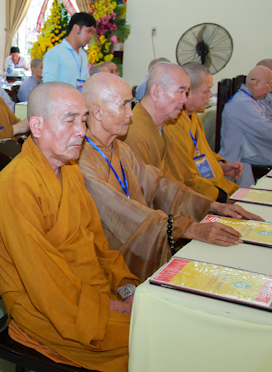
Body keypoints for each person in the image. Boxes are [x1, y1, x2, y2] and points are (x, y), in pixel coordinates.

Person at [0, 81, 139, 372]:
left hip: (91, 291)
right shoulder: (15, 185)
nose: (81, 131)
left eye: (83, 120)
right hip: (48, 310)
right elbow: (43, 282)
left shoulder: (70, 170)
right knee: (148, 341)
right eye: (70, 120)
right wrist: (111, 307)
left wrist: (125, 288)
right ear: (37, 126)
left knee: (156, 322)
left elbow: (98, 243)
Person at [79, 73, 261, 281]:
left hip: (143, 239)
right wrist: (187, 228)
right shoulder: (81, 158)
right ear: (98, 111)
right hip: (110, 259)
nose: (130, 113)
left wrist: (213, 205)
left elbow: (159, 185)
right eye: (124, 105)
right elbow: (119, 209)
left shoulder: (120, 148)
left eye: (131, 104)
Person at [123, 62, 223, 200]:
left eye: (186, 93)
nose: (185, 99)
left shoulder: (163, 127)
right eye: (181, 92)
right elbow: (149, 194)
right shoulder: (134, 133)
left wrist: (212, 205)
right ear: (156, 92)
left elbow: (179, 180)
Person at [164, 63, 242, 198]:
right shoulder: (172, 124)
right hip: (204, 195)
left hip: (217, 185)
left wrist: (220, 165)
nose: (210, 95)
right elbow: (185, 176)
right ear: (187, 92)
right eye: (206, 91)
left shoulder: (193, 116)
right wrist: (221, 198)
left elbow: (201, 151)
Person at [219, 65, 272, 173]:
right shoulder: (241, 102)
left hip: (259, 147)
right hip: (246, 154)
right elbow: (266, 130)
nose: (270, 89)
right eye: (269, 85)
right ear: (256, 83)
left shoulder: (257, 98)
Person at [41, 12, 95, 89]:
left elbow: (86, 82)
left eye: (92, 33)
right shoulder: (55, 53)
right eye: (89, 31)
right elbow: (48, 86)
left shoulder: (83, 55)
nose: (90, 36)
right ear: (76, 28)